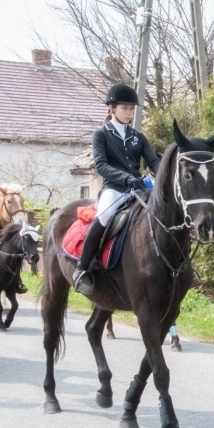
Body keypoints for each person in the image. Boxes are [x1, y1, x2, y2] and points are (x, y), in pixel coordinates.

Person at [72, 83, 160, 295]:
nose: (129, 112)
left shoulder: (138, 137)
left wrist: (164, 174)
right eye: (125, 108)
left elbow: (153, 161)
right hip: (114, 189)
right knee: (104, 215)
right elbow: (101, 166)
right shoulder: (101, 134)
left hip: (138, 188)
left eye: (132, 109)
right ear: (112, 108)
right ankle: (83, 268)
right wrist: (126, 178)